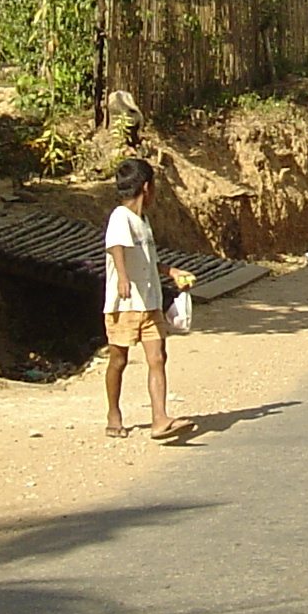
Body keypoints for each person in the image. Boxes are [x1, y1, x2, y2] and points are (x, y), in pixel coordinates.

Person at [102, 157, 193, 440]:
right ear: (146, 187)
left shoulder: (143, 221)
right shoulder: (121, 216)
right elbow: (115, 246)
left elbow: (146, 260)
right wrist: (123, 277)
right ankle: (113, 413)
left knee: (157, 357)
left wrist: (170, 272)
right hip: (125, 304)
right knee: (119, 359)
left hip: (150, 302)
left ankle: (159, 419)